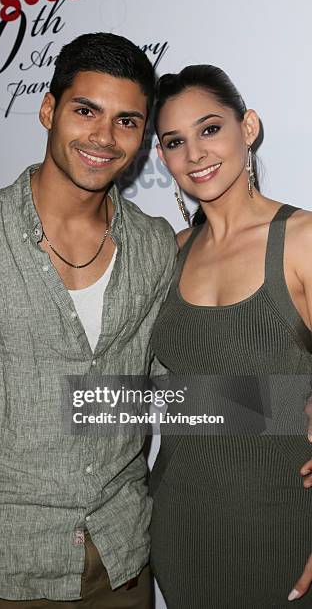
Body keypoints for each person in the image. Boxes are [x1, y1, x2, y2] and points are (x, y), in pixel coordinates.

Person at [0, 33, 178, 609]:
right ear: (49, 110)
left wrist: (288, 408)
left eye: (127, 121)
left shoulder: (155, 246)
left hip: (125, 562)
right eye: (86, 111)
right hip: (4, 573)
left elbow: (169, 395)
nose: (104, 137)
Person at [149, 65, 312, 607]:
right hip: (182, 519)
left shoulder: (302, 240)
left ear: (249, 127)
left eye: (210, 128)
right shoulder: (169, 252)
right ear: (162, 157)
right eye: (175, 141)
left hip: (286, 518)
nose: (194, 154)